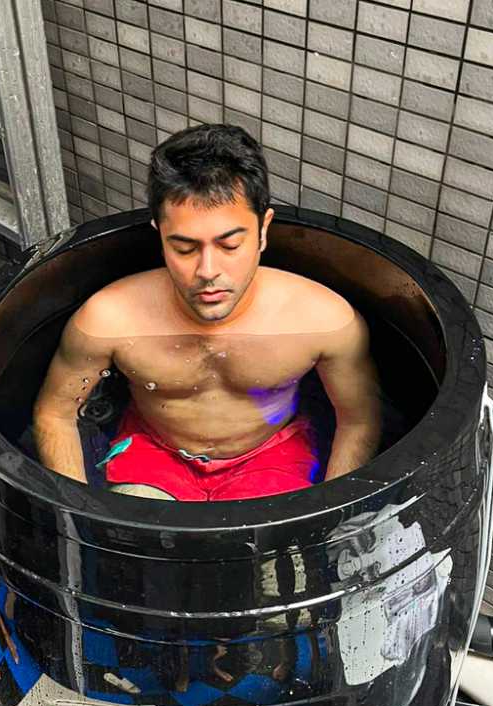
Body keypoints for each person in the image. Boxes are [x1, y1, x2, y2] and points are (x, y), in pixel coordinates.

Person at [33, 124, 381, 501]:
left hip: (272, 455)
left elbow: (358, 419)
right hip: (153, 453)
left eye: (230, 244)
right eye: (184, 248)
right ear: (159, 234)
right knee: (134, 549)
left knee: (279, 556)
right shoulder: (108, 320)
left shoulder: (323, 320)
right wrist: (78, 515)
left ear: (263, 229)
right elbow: (56, 413)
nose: (208, 271)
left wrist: (333, 517)